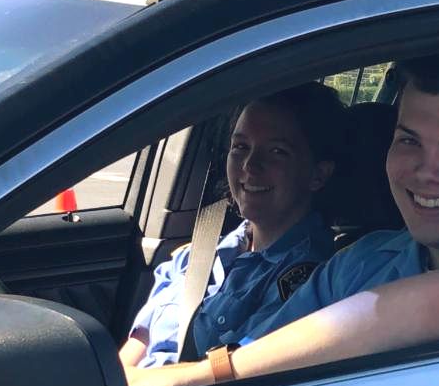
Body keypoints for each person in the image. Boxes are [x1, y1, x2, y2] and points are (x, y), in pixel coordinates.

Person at [126, 48, 439, 386]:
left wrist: (192, 379)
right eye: (409, 142)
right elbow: (263, 348)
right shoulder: (364, 261)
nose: (426, 172)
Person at [119, 82, 344, 370]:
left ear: (317, 175)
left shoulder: (313, 284)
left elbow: (233, 378)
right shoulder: (198, 253)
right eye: (240, 147)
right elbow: (137, 346)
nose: (250, 165)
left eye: (277, 151)